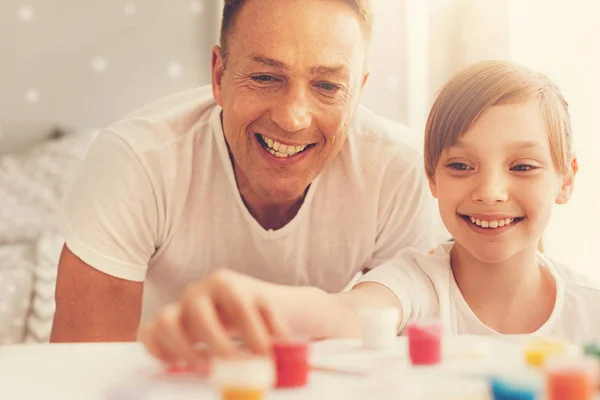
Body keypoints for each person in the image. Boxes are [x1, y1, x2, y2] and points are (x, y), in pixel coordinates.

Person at [140, 60, 600, 367]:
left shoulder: (590, 312)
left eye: (522, 167)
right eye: (460, 166)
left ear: (566, 179)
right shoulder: (414, 282)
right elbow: (342, 313)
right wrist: (246, 303)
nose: (491, 192)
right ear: (432, 179)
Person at [50, 0, 442, 343]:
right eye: (265, 77)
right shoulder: (134, 163)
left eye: (326, 85)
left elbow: (407, 359)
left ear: (359, 90)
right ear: (219, 76)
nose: (292, 119)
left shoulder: (398, 171)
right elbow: (84, 374)